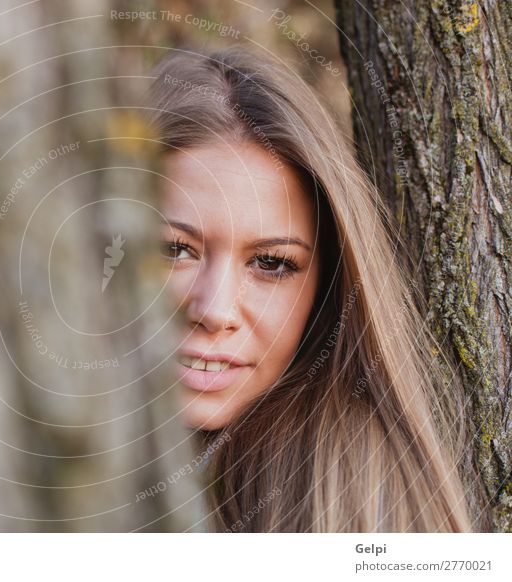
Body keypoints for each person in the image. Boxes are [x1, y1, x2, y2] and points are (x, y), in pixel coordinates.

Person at [148, 47, 474, 532]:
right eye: (173, 250)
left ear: (325, 287)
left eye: (271, 263)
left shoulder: (353, 498)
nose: (213, 310)